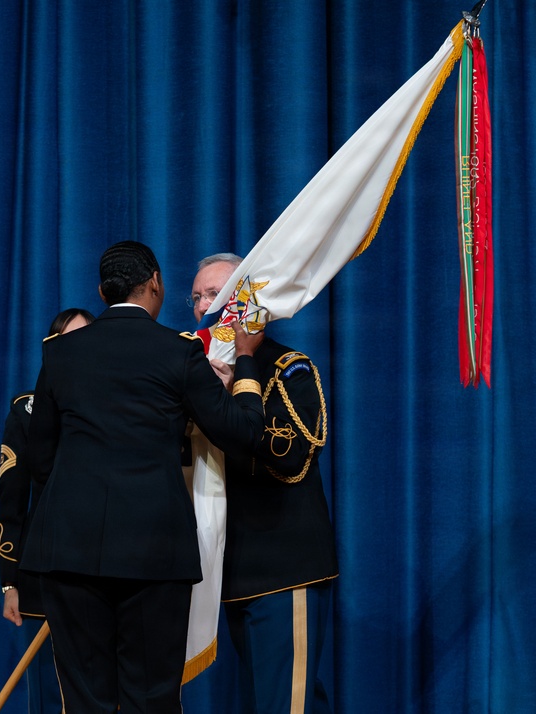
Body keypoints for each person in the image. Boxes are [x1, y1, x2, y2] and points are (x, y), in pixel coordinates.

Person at [20, 241, 266, 714]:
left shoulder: (60, 353)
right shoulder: (179, 352)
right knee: (151, 699)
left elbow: (40, 456)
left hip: (69, 550)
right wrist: (247, 361)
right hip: (155, 552)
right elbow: (241, 433)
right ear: (156, 282)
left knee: (85, 701)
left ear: (102, 292)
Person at [189, 252, 338, 714]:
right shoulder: (194, 376)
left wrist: (243, 372)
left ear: (244, 301)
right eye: (196, 298)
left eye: (215, 294)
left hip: (284, 568)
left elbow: (290, 458)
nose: (204, 306)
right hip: (234, 572)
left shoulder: (289, 367)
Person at [0, 307, 94, 714]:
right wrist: (9, 582)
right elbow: (12, 500)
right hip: (44, 573)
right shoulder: (28, 410)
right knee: (50, 695)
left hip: (107, 573)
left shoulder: (120, 402)